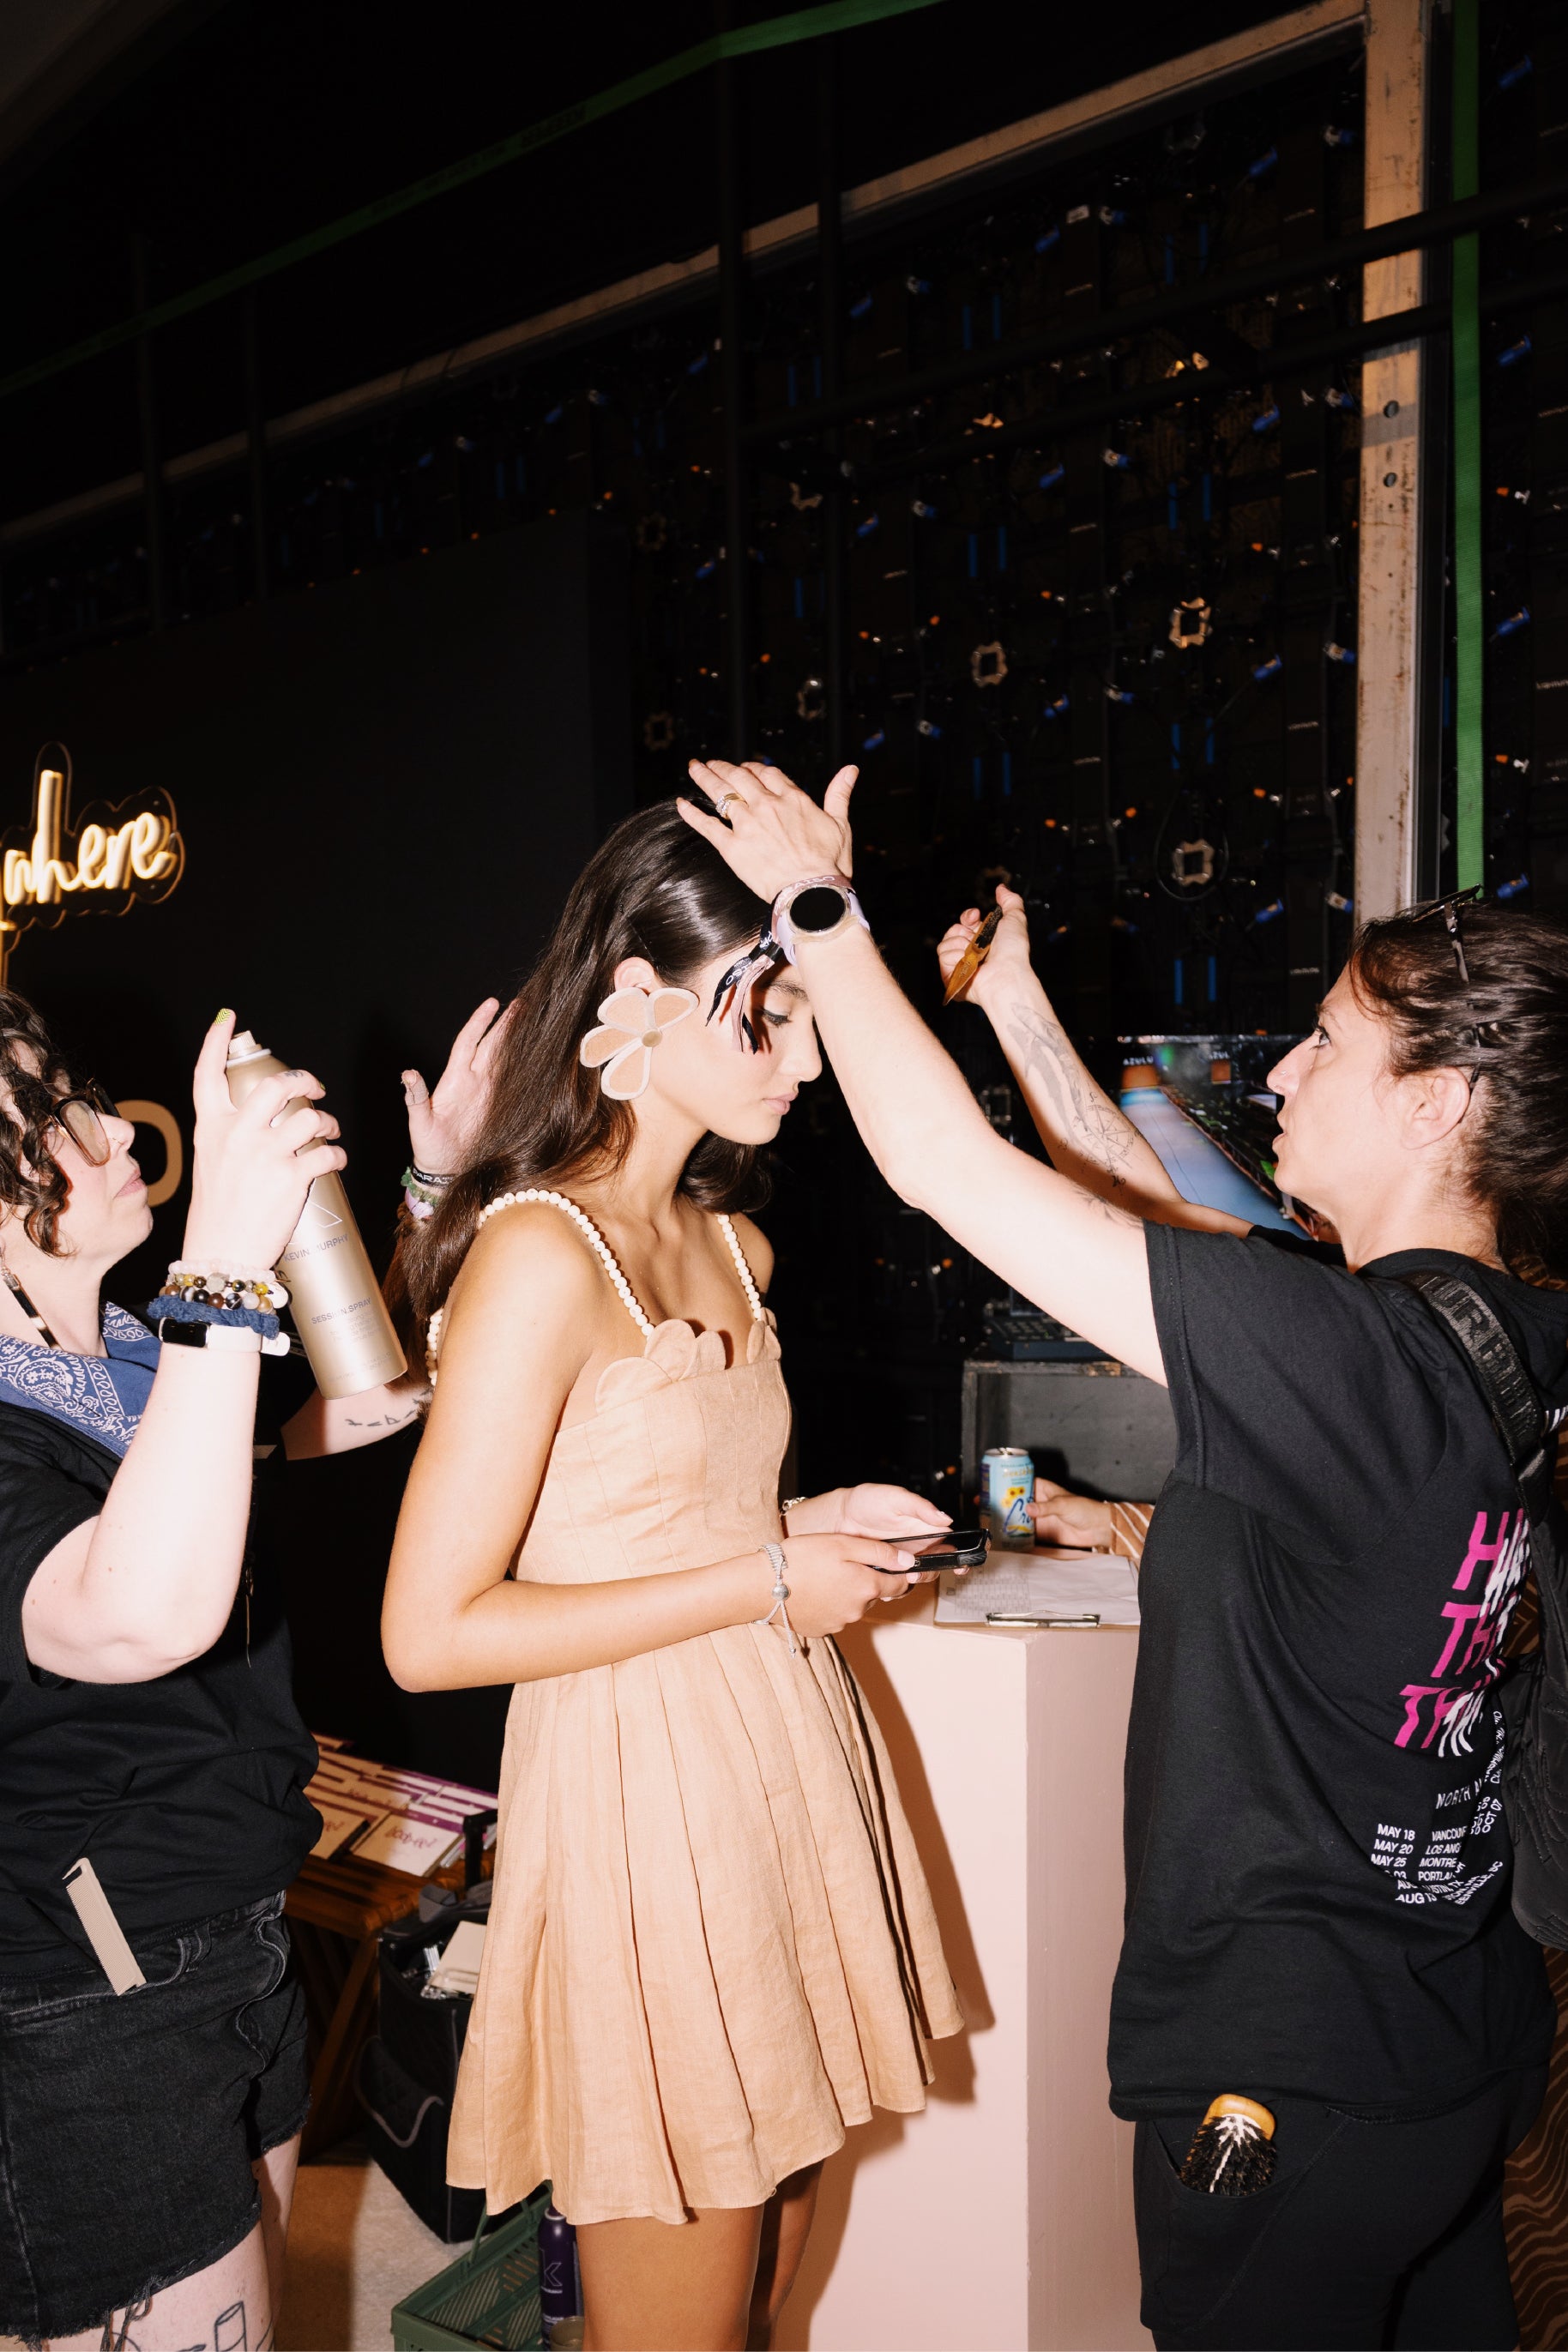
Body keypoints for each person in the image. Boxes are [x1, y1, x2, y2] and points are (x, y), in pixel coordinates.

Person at [681, 758, 1568, 2352]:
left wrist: (820, 910)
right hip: (1445, 2039)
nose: (1285, 1069)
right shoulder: (1491, 1340)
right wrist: (1015, 1007)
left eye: (1330, 1042)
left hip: (1289, 2074)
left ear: (1439, 1103)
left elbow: (943, 1169)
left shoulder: (1361, 1365)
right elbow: (1152, 1212)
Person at [383, 803, 962, 2352]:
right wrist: (768, 1575)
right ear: (638, 994)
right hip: (639, 1805)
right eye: (773, 1011)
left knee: (764, 2288)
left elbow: (661, 1515)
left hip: (782, 1776)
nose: (806, 1059)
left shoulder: (731, 1248)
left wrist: (812, 1522)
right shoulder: (538, 1253)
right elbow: (429, 1632)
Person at [0, 990, 499, 2352]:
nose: (114, 1132)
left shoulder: (123, 1353)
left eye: (82, 1097)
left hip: (237, 1932)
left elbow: (373, 1399)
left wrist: (436, 1190)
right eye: (50, 1123)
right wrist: (220, 1262)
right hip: (90, 2003)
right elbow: (140, 1611)